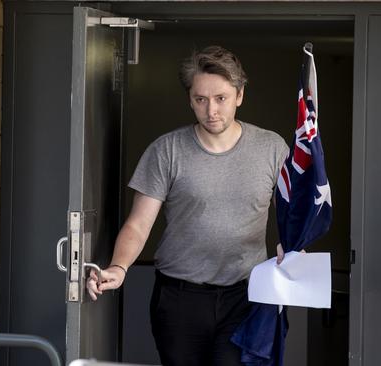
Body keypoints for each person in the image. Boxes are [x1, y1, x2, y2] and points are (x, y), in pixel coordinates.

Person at [86, 45, 289, 366]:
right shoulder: (167, 151)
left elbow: (291, 215)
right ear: (190, 99)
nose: (212, 110)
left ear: (239, 95)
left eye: (221, 98)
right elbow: (139, 224)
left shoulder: (271, 148)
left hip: (246, 294)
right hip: (179, 298)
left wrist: (291, 248)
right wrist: (119, 267)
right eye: (201, 100)